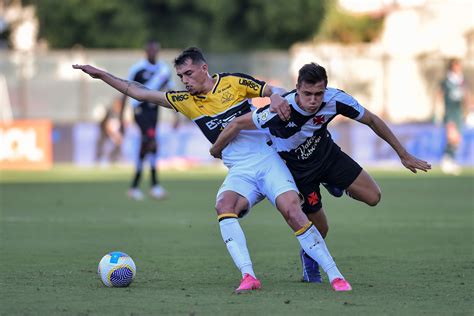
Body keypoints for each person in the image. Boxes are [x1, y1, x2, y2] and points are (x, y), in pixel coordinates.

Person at [73, 47, 352, 292]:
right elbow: (137, 90)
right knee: (224, 205)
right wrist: (100, 74)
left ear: (204, 68)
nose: (185, 80)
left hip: (269, 160)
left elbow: (272, 90)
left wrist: (278, 97)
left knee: (292, 211)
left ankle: (336, 276)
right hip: (240, 170)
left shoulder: (232, 82)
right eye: (181, 76)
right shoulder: (185, 101)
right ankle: (248, 275)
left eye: (189, 73)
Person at [210, 62, 432, 283]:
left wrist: (404, 155)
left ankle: (336, 184)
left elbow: (372, 120)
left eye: (319, 93)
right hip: (300, 175)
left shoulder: (335, 99)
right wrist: (217, 149)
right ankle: (309, 256)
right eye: (307, 94)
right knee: (321, 229)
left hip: (329, 157)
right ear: (297, 89)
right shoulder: (278, 111)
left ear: (326, 89)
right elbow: (237, 124)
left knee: (374, 197)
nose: (314, 100)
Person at [121, 40, 179, 200]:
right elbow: (125, 90)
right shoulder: (137, 69)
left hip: (154, 111)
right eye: (150, 50)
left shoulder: (163, 70)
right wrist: (121, 119)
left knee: (148, 145)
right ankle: (153, 185)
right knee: (150, 141)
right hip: (140, 110)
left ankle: (137, 187)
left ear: (158, 51)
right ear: (146, 51)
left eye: (155, 50)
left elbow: (171, 92)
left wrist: (176, 115)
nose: (152, 53)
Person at [438, 58, 468, 175]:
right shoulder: (446, 81)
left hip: (458, 113)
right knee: (452, 137)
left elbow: (466, 96)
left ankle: (450, 160)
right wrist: (438, 112)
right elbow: (439, 95)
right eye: (456, 66)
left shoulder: (461, 81)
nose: (458, 68)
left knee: (457, 139)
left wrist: (468, 110)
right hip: (449, 113)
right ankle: (446, 160)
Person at [95, 96, 123, 165]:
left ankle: (114, 159)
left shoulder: (120, 113)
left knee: (118, 143)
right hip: (105, 131)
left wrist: (117, 135)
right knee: (101, 144)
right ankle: (98, 160)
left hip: (114, 131)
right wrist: (112, 134)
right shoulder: (110, 111)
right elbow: (107, 124)